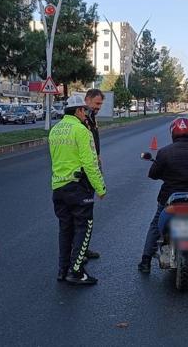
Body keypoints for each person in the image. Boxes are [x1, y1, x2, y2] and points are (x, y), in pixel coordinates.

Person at [138, 117, 188, 273]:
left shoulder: (164, 152)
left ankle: (145, 262)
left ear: (173, 132)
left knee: (156, 225)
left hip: (169, 198)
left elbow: (153, 174)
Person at [49, 95, 106, 285]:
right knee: (84, 227)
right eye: (84, 110)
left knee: (65, 229)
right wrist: (100, 187)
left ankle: (62, 270)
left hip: (58, 187)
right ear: (79, 111)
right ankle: (76, 271)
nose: (85, 114)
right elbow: (89, 164)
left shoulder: (55, 131)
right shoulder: (81, 131)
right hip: (78, 187)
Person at [81, 89, 105, 260]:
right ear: (87, 100)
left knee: (87, 216)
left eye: (101, 104)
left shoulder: (91, 118)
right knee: (83, 217)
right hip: (84, 173)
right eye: (96, 104)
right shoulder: (82, 120)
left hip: (92, 168)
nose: (98, 107)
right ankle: (78, 254)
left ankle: (83, 248)